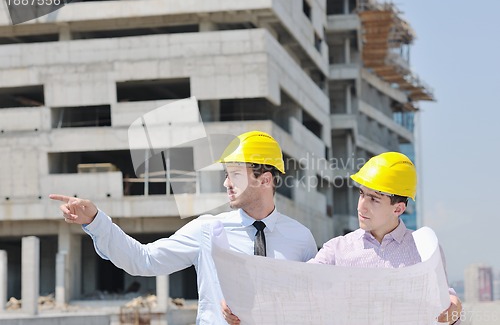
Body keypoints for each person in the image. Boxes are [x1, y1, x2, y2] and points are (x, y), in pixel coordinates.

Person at [50, 130, 318, 325]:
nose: (226, 184)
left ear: (265, 180)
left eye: (235, 175)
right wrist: (96, 221)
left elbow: (313, 306)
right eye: (226, 175)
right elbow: (143, 260)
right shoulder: (207, 230)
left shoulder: (301, 238)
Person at [223, 152, 463, 325]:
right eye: (361, 194)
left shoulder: (423, 247)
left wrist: (452, 309)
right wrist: (240, 301)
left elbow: (448, 301)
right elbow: (294, 285)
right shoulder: (338, 249)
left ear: (398, 208)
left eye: (374, 199)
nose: (362, 206)